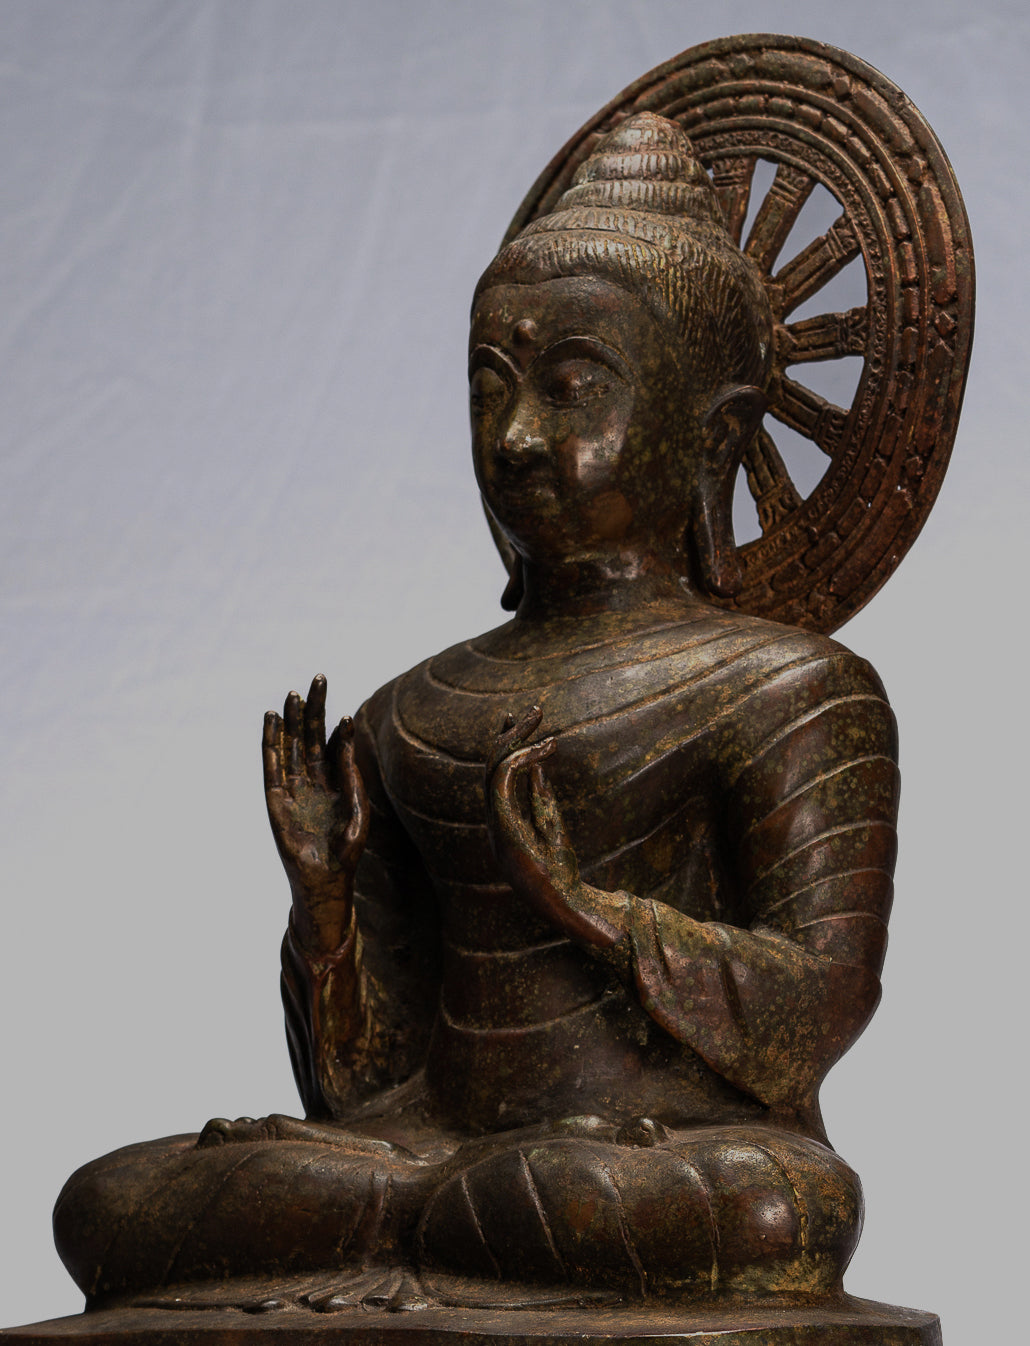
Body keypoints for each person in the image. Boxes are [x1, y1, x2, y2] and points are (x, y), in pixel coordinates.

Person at [53, 113, 898, 1311]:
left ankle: (434, 1223)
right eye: (489, 390)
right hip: (427, 1156)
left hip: (653, 1158)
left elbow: (820, 1002)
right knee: (107, 1202)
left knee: (780, 1207)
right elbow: (365, 1083)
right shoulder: (407, 714)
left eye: (571, 391)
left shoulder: (789, 689)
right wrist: (326, 907)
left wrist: (592, 910)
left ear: (708, 431)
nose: (514, 438)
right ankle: (433, 1222)